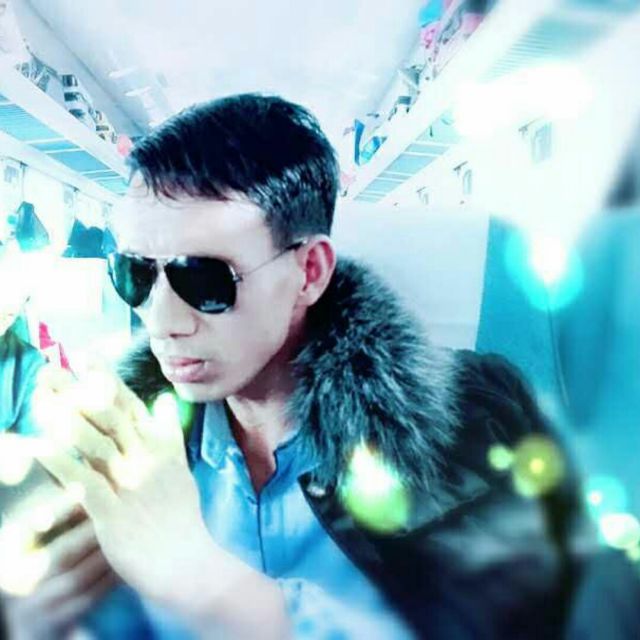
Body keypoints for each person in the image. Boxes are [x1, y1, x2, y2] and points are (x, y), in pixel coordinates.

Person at [13, 93, 623, 639]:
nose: (162, 319)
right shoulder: (127, 447)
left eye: (204, 279)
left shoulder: (477, 427)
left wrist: (208, 586)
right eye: (136, 274)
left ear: (309, 272)